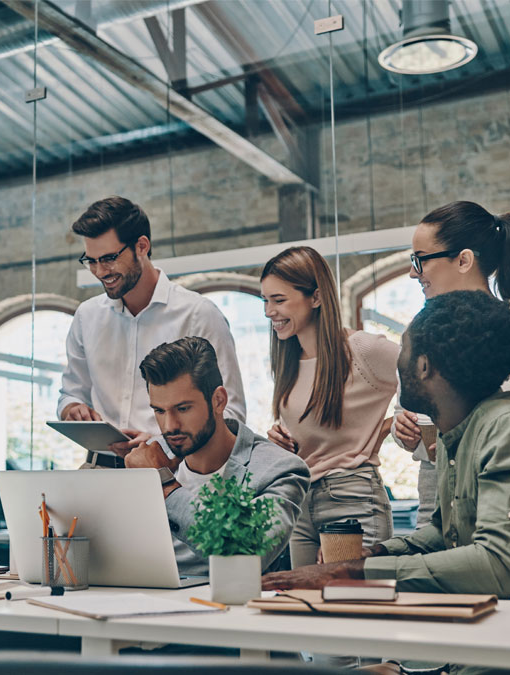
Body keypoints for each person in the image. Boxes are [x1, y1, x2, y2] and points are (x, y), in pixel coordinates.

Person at [263, 291, 510, 675]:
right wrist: (373, 555)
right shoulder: (456, 431)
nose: (398, 362)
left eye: (404, 351)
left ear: (425, 366)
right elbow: (445, 531)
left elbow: (501, 564)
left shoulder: (508, 428)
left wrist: (354, 574)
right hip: (486, 645)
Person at [393, 201, 510, 527]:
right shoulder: (421, 332)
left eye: (420, 260)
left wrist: (500, 441)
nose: (413, 272)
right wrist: (404, 428)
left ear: (464, 260)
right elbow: (410, 412)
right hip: (437, 492)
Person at [57, 196, 246, 463]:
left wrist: (164, 446)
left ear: (142, 246)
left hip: (174, 470)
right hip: (99, 467)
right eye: (91, 261)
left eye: (109, 258)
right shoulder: (87, 317)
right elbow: (71, 393)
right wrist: (72, 409)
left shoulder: (198, 315)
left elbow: (231, 415)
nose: (100, 271)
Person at [260, 246, 399, 569]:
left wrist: (386, 429)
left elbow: (433, 377)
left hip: (351, 500)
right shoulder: (288, 361)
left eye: (278, 300)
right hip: (301, 502)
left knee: (353, 609)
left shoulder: (361, 350)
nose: (269, 311)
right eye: (265, 301)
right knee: (307, 611)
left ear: (317, 298)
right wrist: (281, 442)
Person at [124, 336, 309, 575]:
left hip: (227, 605)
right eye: (159, 411)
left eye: (183, 409)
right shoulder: (149, 460)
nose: (169, 426)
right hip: (141, 599)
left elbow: (245, 555)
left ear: (218, 401)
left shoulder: (280, 470)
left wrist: (166, 486)